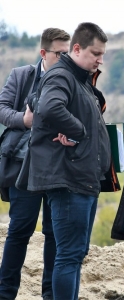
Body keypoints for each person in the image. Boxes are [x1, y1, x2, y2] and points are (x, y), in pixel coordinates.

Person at [26, 22, 113, 300]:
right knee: (68, 255)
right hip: (68, 181)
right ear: (77, 48)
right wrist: (78, 131)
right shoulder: (61, 75)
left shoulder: (81, 80)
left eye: (102, 54)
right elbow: (50, 106)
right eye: (95, 53)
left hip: (83, 180)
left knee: (75, 254)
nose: (100, 60)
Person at [0, 28, 70, 300]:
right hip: (23, 168)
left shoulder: (74, 79)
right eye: (59, 54)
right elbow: (2, 108)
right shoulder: (21, 75)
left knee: (54, 234)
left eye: (68, 53)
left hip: (59, 169)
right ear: (44, 53)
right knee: (19, 231)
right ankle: (5, 294)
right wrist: (24, 120)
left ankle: (50, 295)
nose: (65, 59)